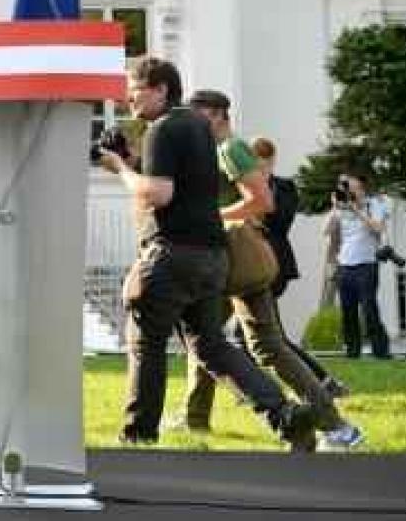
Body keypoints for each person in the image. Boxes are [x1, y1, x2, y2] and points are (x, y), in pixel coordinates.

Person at [98, 57, 315, 450]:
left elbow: (160, 193)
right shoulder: (199, 127)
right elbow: (183, 183)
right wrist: (133, 163)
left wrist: (121, 170)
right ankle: (284, 415)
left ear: (161, 89)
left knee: (146, 343)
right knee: (212, 346)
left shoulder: (162, 129)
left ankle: (137, 437)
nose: (128, 100)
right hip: (211, 255)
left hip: (170, 254)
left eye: (134, 91)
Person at [170, 92, 361, 450]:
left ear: (215, 117)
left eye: (196, 118)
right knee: (207, 338)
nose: (189, 126)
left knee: (263, 346)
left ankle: (336, 425)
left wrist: (212, 218)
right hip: (228, 256)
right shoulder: (214, 151)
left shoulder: (231, 149)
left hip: (237, 258)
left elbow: (263, 201)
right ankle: (194, 418)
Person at [252, 136, 347, 399]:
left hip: (274, 265)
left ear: (272, 162)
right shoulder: (241, 186)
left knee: (268, 336)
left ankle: (319, 384)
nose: (261, 167)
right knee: (261, 335)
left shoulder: (284, 187)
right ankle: (320, 383)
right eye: (256, 162)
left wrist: (261, 190)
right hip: (248, 264)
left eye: (266, 162)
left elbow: (280, 221)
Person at [325, 170, 392, 360]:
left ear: (361, 188)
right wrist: (334, 208)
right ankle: (352, 352)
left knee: (369, 308)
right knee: (348, 311)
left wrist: (357, 210)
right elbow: (326, 231)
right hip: (345, 265)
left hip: (367, 265)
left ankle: (381, 351)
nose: (346, 190)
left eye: (350, 187)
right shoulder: (341, 208)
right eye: (343, 187)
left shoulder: (374, 204)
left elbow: (378, 228)